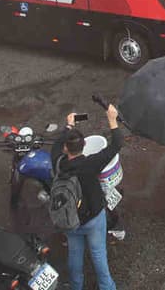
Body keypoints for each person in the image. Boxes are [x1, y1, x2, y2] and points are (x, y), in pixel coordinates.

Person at [50, 104, 121, 290]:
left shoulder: (58, 161)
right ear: (84, 146)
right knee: (98, 254)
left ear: (66, 148)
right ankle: (107, 286)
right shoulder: (90, 164)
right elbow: (116, 145)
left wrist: (69, 126)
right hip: (93, 218)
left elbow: (56, 145)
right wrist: (112, 119)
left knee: (75, 254)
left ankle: (76, 286)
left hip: (71, 219)